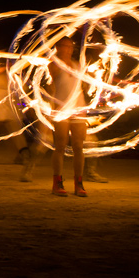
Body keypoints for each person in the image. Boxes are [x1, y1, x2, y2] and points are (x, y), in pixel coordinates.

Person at [47, 36, 88, 197]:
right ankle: (57, 182)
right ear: (57, 47)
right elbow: (50, 85)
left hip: (78, 109)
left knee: (79, 146)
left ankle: (79, 183)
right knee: (61, 146)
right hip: (62, 110)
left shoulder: (78, 65)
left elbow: (82, 86)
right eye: (64, 46)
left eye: (70, 46)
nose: (68, 49)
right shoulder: (54, 65)